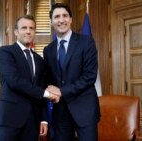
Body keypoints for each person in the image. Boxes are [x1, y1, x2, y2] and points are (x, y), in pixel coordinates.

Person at [0, 15, 59, 141]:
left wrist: (44, 119)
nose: (28, 31)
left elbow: (40, 87)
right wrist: (46, 93)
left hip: (32, 121)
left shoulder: (39, 60)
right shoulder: (5, 52)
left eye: (31, 28)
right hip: (10, 118)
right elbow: (14, 81)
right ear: (16, 32)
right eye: (24, 28)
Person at [43, 3, 101, 141]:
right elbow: (49, 80)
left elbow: (89, 76)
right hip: (60, 112)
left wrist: (62, 91)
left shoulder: (86, 42)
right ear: (51, 22)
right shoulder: (48, 50)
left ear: (71, 19)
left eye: (65, 16)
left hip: (85, 109)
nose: (61, 20)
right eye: (56, 16)